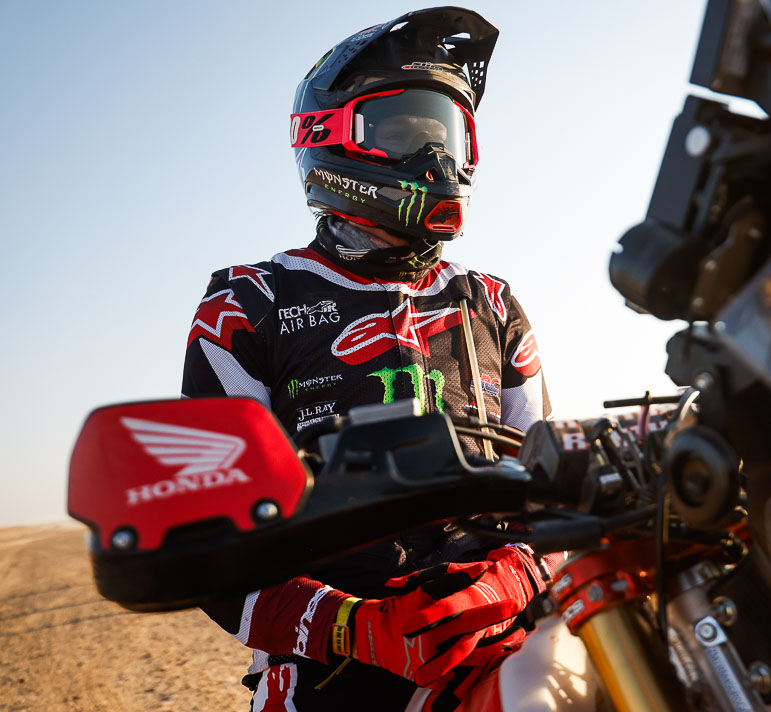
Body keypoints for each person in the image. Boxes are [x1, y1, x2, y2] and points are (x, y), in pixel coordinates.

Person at [180, 7, 555, 710]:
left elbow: (551, 490)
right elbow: (210, 541)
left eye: (448, 137)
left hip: (496, 649)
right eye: (407, 134)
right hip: (330, 672)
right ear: (327, 136)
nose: (438, 160)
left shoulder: (493, 302)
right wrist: (356, 628)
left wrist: (514, 577)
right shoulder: (247, 304)